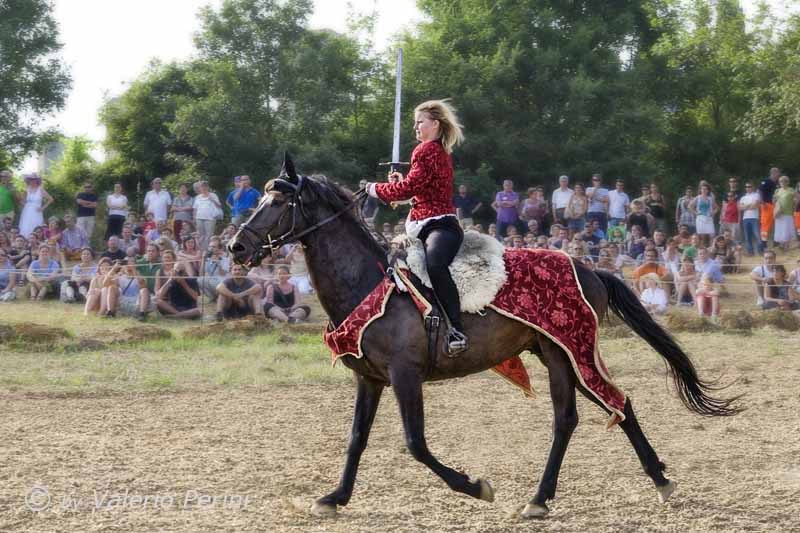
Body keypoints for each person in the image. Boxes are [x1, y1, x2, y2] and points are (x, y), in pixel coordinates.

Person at [365, 99, 468, 354]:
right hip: (423, 224)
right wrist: (398, 187)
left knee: (435, 265)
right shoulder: (436, 151)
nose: (416, 127)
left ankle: (456, 328)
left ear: (435, 124)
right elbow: (417, 192)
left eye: (420, 122)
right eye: (415, 123)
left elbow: (409, 188)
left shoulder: (426, 150)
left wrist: (373, 189)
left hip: (440, 226)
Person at [155, 249, 202, 319]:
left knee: (197, 311)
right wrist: (170, 279)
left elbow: (196, 297)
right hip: (173, 307)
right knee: (158, 302)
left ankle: (174, 316)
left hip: (189, 307)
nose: (166, 260)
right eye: (165, 258)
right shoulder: (168, 278)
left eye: (168, 258)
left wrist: (183, 283)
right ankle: (179, 315)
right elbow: (159, 296)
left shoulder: (190, 279)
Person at [18, 174, 53, 238]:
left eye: (34, 179)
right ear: (28, 180)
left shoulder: (40, 189)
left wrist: (42, 208)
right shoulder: (26, 189)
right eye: (31, 179)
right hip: (27, 211)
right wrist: (20, 200)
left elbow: (51, 199)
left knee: (36, 225)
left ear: (37, 180)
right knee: (25, 225)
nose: (32, 181)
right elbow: (23, 201)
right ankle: (25, 240)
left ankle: (36, 239)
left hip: (36, 212)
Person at [193, 180, 221, 251]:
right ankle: (202, 250)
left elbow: (219, 205)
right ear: (200, 188)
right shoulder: (198, 197)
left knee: (209, 235)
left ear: (208, 187)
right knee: (201, 235)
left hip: (210, 218)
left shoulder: (213, 195)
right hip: (199, 218)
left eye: (205, 186)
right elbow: (195, 208)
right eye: (202, 186)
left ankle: (208, 250)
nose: (204, 188)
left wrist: (213, 200)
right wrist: (194, 218)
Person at [690, 181, 717, 247]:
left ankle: (711, 250)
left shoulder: (710, 198)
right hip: (700, 218)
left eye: (706, 189)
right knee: (702, 237)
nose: (704, 190)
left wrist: (713, 213)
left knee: (712, 235)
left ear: (708, 190)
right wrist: (696, 213)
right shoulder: (697, 197)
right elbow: (690, 206)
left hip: (709, 218)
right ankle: (701, 250)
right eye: (703, 189)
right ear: (700, 190)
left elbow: (717, 208)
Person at [772, 175, 796, 252]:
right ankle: (781, 245)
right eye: (780, 181)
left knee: (787, 229)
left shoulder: (791, 190)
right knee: (780, 229)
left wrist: (794, 206)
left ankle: (786, 246)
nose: (782, 182)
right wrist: (775, 202)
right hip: (779, 213)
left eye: (784, 181)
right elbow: (774, 201)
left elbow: (798, 198)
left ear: (787, 182)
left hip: (788, 212)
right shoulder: (777, 190)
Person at [759, 167, 780, 249]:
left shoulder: (778, 183)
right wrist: (762, 202)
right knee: (765, 224)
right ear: (773, 173)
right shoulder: (766, 181)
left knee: (777, 224)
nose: (779, 174)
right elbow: (760, 191)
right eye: (778, 173)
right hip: (767, 205)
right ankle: (763, 244)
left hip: (776, 206)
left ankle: (776, 242)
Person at [738, 182, 762, 256]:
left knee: (757, 235)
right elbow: (740, 208)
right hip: (745, 218)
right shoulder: (743, 197)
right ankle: (750, 252)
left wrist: (746, 206)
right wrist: (749, 205)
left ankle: (760, 251)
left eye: (749, 186)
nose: (748, 188)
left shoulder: (756, 195)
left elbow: (755, 205)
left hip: (755, 217)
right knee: (747, 236)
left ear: (753, 187)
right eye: (746, 186)